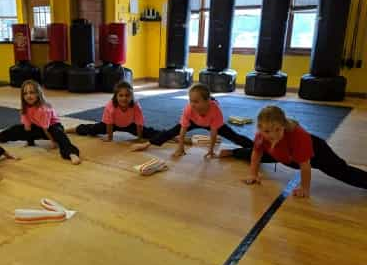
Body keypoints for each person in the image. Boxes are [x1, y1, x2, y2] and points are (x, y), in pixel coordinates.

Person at [219, 105, 367, 197]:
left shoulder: (298, 136)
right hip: (284, 155)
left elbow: (305, 166)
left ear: (283, 125)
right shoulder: (262, 136)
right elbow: (256, 154)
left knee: (343, 172)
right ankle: (233, 152)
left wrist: (304, 188)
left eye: (277, 129)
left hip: (316, 154)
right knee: (255, 152)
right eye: (267, 131)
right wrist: (253, 174)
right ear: (260, 128)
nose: (273, 135)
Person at [131, 83, 253, 158]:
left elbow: (214, 133)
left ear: (207, 101)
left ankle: (255, 147)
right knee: (170, 132)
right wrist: (180, 147)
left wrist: (211, 151)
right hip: (194, 120)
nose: (192, 104)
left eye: (196, 101)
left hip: (211, 122)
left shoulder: (215, 110)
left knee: (233, 135)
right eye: (191, 100)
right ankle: (147, 144)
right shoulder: (189, 108)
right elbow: (182, 130)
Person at [0, 80, 81, 165]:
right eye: (25, 94)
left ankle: (71, 153)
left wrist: (53, 142)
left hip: (51, 128)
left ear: (38, 94)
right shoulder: (25, 108)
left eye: (32, 92)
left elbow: (45, 128)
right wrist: (30, 140)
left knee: (60, 134)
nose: (28, 96)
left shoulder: (44, 109)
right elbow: (27, 127)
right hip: (38, 127)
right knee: (16, 129)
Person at [66, 81, 160, 142]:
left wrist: (139, 138)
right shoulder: (111, 106)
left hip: (129, 125)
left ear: (132, 96)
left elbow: (139, 123)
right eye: (121, 95)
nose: (124, 98)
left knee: (148, 132)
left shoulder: (135, 106)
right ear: (116, 96)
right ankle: (73, 129)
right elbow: (109, 123)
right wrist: (109, 137)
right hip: (113, 124)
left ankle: (170, 136)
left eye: (127, 95)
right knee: (93, 129)